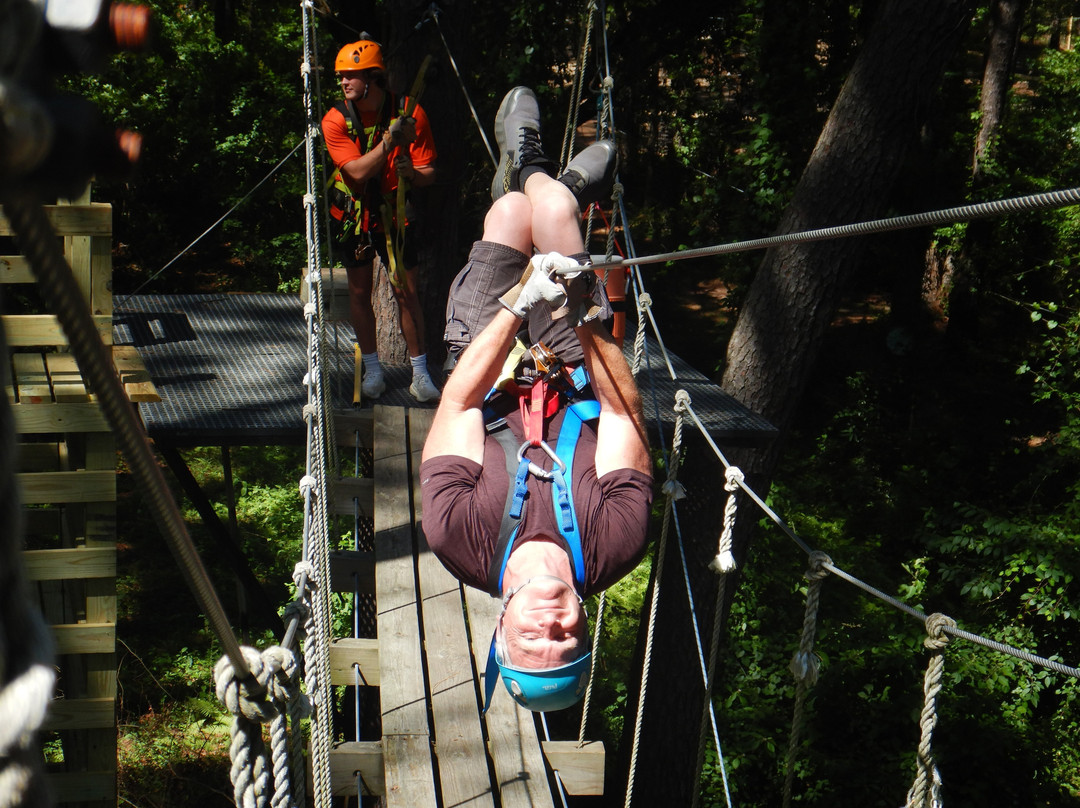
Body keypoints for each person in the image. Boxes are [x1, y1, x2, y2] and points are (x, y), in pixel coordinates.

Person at [420, 87, 651, 713]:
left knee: (509, 219)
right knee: (545, 215)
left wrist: (516, 307)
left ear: (500, 631)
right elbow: (625, 414)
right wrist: (582, 316)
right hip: (578, 365)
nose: (550, 621)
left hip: (486, 371)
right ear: (585, 628)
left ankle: (542, 171)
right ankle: (548, 178)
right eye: (567, 638)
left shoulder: (457, 538)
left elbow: (460, 407)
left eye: (530, 638)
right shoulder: (617, 541)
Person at [322, 37, 441, 403]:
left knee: (406, 293)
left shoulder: (409, 111)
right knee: (359, 293)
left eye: (351, 76)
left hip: (396, 214)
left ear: (373, 78)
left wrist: (412, 175)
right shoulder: (335, 119)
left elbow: (429, 171)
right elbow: (356, 172)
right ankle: (373, 369)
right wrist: (389, 142)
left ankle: (420, 373)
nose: (343, 82)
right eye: (341, 76)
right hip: (356, 216)